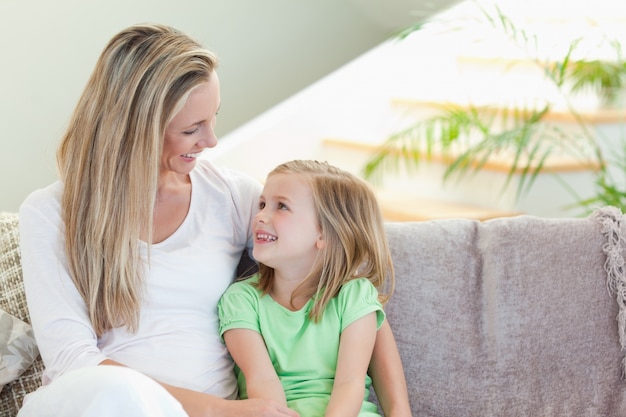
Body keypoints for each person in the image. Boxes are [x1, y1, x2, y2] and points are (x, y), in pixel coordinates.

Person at [17, 24, 410, 417]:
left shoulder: (232, 197)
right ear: (136, 129)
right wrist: (222, 411)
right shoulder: (51, 214)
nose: (211, 141)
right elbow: (72, 361)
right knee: (115, 394)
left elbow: (323, 254)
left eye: (212, 119)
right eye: (191, 129)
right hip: (103, 405)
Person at [218, 159, 405, 417]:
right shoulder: (240, 300)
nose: (261, 216)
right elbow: (262, 382)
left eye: (281, 206)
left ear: (325, 234)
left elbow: (349, 384)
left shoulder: (355, 296)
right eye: (262, 204)